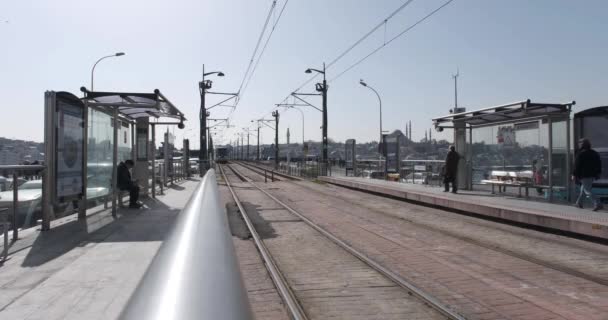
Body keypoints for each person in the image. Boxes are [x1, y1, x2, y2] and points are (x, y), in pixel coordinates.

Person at [573, 138, 603, 211]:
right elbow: (599, 164)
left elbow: (577, 165)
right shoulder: (594, 153)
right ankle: (579, 203)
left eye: (580, 143)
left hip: (584, 175)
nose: (579, 144)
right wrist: (598, 173)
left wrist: (574, 174)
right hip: (592, 175)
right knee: (583, 189)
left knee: (587, 190)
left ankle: (597, 203)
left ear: (582, 145)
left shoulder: (581, 153)